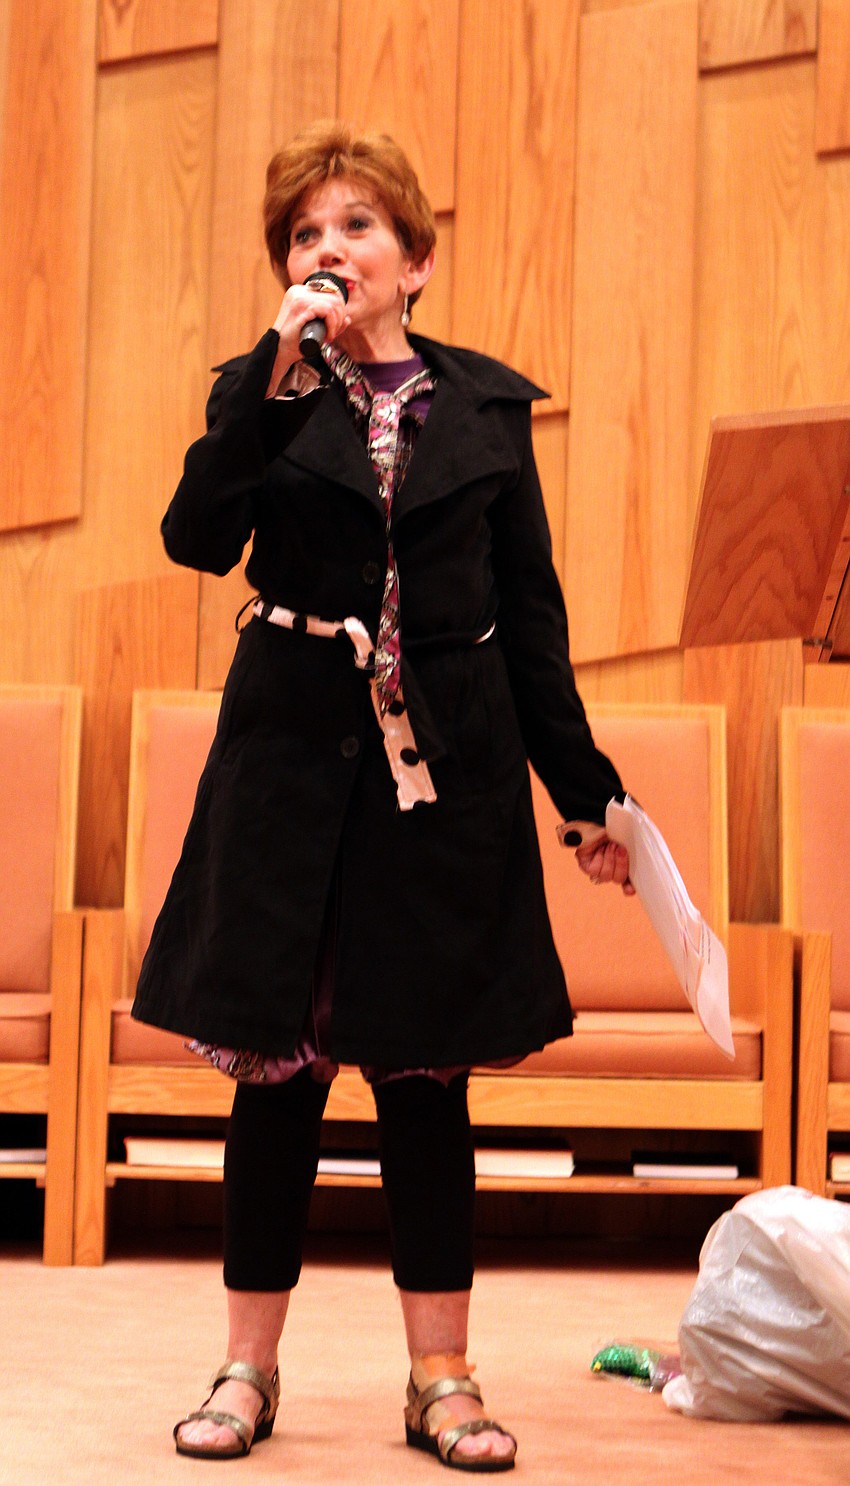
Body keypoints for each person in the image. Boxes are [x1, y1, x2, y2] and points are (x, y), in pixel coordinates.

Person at [132, 120, 632, 1471]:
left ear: (416, 259)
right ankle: (246, 1364)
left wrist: (584, 796)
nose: (327, 249)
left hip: (444, 784)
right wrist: (271, 382)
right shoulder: (264, 392)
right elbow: (191, 539)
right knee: (275, 1081)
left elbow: (531, 623)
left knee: (422, 1081)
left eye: (354, 228)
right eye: (303, 234)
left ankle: (443, 1375)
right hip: (287, 772)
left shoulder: (482, 409)